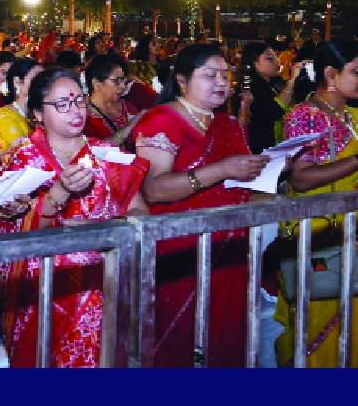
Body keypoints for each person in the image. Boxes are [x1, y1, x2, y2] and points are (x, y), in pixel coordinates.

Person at [0, 67, 148, 367]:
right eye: (61, 104)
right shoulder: (25, 158)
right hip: (43, 288)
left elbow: (140, 211)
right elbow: (11, 231)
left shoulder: (105, 154)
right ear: (38, 113)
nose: (75, 111)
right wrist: (58, 193)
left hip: (103, 282)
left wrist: (102, 229)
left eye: (78, 100)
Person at [132, 43, 269, 367]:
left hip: (231, 251)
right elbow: (153, 189)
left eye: (225, 74)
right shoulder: (160, 120)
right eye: (210, 75)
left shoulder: (227, 124)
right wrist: (221, 170)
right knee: (182, 342)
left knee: (230, 339)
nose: (221, 82)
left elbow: (238, 182)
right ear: (182, 80)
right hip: (182, 253)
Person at [274, 39, 358, 367]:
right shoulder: (306, 117)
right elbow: (301, 178)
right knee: (320, 327)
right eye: (356, 71)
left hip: (350, 230)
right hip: (321, 236)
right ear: (330, 74)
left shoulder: (351, 114)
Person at [234, 41, 300, 154]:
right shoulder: (248, 88)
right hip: (259, 154)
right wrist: (292, 80)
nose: (277, 62)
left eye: (276, 56)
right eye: (270, 58)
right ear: (253, 62)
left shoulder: (273, 84)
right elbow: (275, 111)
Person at [83, 54, 141, 147]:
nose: (123, 86)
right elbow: (94, 150)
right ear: (96, 83)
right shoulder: (84, 116)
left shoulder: (127, 106)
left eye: (123, 80)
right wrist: (131, 125)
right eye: (117, 81)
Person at [0, 57, 42, 152]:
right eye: (36, 79)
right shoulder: (4, 116)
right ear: (17, 82)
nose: (42, 85)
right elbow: (28, 152)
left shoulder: (41, 110)